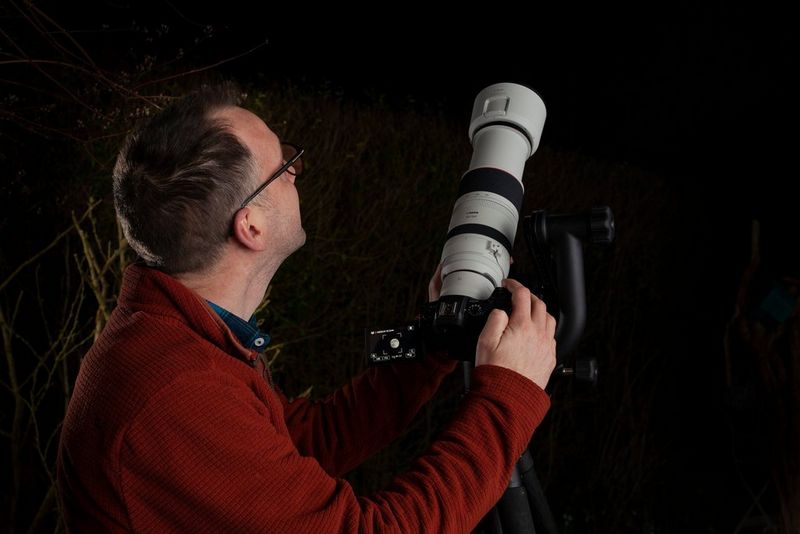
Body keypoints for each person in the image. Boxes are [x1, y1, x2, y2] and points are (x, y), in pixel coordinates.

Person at [57, 82, 557, 533]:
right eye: (282, 164)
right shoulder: (175, 392)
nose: (296, 168)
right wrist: (507, 400)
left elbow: (303, 442)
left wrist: (431, 347)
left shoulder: (180, 336)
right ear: (249, 225)